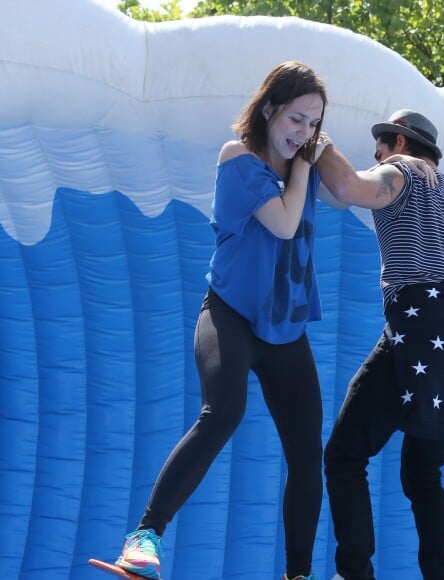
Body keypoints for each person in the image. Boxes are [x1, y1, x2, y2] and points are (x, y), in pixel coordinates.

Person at [112, 61, 334, 580]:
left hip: (285, 329)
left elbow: (346, 188)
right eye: (296, 119)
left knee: (307, 453)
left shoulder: (308, 161)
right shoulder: (238, 157)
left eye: (313, 125)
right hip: (230, 315)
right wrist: (306, 166)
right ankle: (144, 537)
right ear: (269, 109)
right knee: (224, 411)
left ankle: (297, 574)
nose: (303, 134)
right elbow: (281, 224)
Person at [315, 109, 444, 580]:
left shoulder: (402, 172)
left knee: (345, 457)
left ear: (399, 142)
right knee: (422, 476)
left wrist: (316, 139)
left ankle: (354, 574)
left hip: (416, 337)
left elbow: (348, 187)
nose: (376, 161)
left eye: (379, 151)